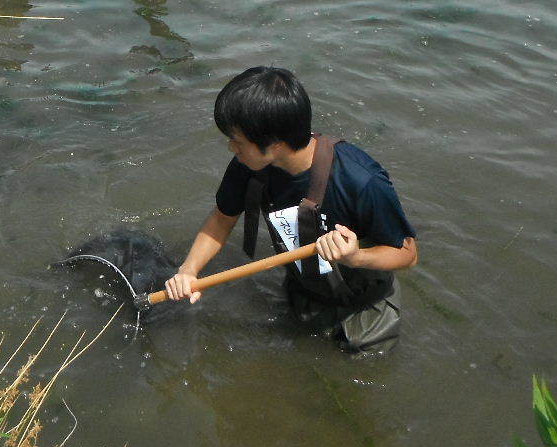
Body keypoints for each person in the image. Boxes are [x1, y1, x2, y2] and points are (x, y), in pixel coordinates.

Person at [164, 66, 417, 353]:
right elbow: (222, 219)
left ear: (275, 144)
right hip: (302, 288)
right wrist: (189, 271)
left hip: (365, 300)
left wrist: (355, 256)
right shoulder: (249, 166)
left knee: (360, 361)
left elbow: (407, 253)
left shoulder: (361, 180)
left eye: (238, 140)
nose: (230, 147)